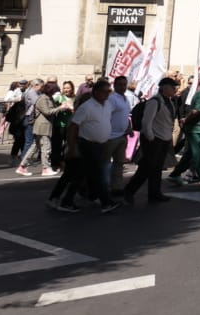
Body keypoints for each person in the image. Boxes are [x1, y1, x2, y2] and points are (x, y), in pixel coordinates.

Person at [65, 79, 121, 213]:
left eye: (109, 91)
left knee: (83, 174)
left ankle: (69, 200)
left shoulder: (108, 105)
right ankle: (105, 202)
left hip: (101, 145)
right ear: (96, 92)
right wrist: (72, 147)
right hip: (88, 145)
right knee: (98, 174)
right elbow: (73, 126)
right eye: (105, 91)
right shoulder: (87, 107)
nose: (108, 94)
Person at [123, 77, 178, 204]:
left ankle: (155, 193)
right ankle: (129, 191)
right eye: (172, 87)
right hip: (154, 140)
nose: (175, 89)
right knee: (146, 168)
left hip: (164, 139)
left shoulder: (169, 101)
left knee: (157, 168)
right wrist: (151, 138)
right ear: (164, 88)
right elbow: (146, 122)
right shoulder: (154, 102)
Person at [170, 74, 200, 186]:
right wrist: (186, 120)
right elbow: (196, 111)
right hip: (199, 129)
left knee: (190, 154)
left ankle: (175, 174)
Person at [17, 82, 64, 176]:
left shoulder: (48, 98)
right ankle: (46, 168)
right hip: (43, 127)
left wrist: (60, 107)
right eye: (55, 90)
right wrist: (61, 108)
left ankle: (22, 167)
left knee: (35, 147)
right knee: (46, 147)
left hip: (44, 126)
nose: (56, 93)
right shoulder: (43, 98)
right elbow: (47, 112)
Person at [105, 75, 133, 190]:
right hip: (110, 137)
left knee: (119, 163)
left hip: (122, 136)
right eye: (120, 84)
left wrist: (129, 128)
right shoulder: (112, 99)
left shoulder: (125, 99)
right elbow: (106, 116)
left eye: (124, 84)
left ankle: (117, 187)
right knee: (105, 164)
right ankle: (104, 187)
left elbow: (126, 116)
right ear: (114, 85)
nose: (122, 87)